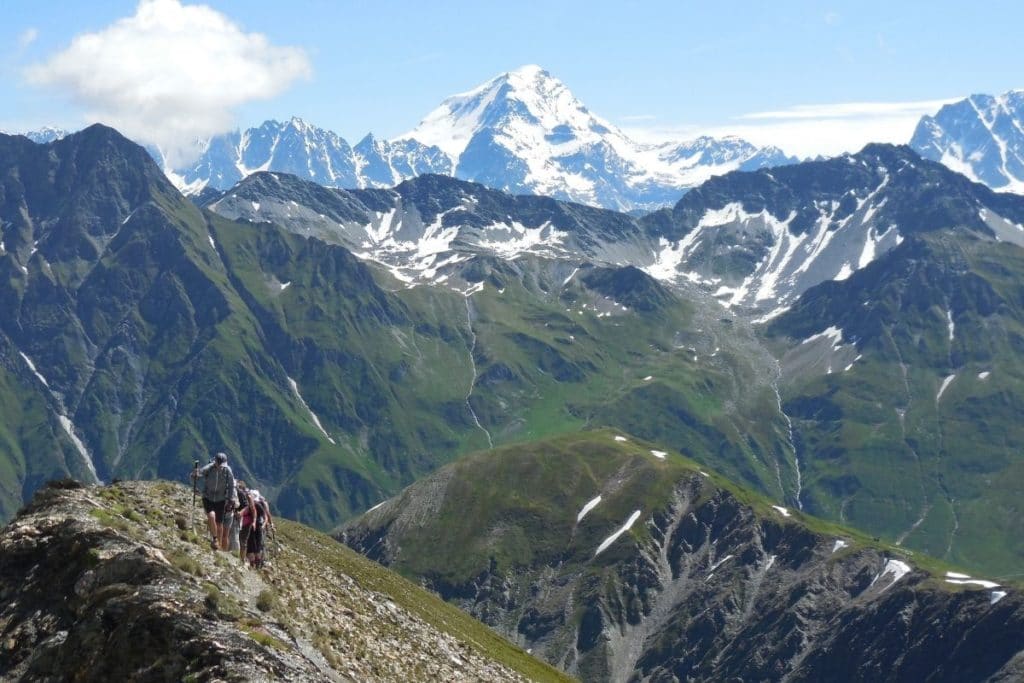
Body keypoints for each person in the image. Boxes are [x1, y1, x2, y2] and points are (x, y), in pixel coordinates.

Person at [191, 452, 236, 550]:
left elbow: (231, 485)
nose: (220, 466)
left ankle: (218, 546)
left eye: (222, 464)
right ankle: (215, 539)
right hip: (208, 497)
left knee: (219, 525)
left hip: (221, 500)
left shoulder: (227, 471)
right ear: (215, 462)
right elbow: (200, 473)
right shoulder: (210, 467)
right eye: (218, 464)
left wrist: (230, 499)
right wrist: (195, 474)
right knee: (211, 516)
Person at [237, 481, 257, 564]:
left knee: (243, 540)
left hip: (246, 522)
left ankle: (242, 559)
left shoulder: (248, 497)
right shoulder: (237, 494)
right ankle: (239, 557)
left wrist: (254, 522)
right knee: (240, 540)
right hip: (240, 520)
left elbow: (253, 510)